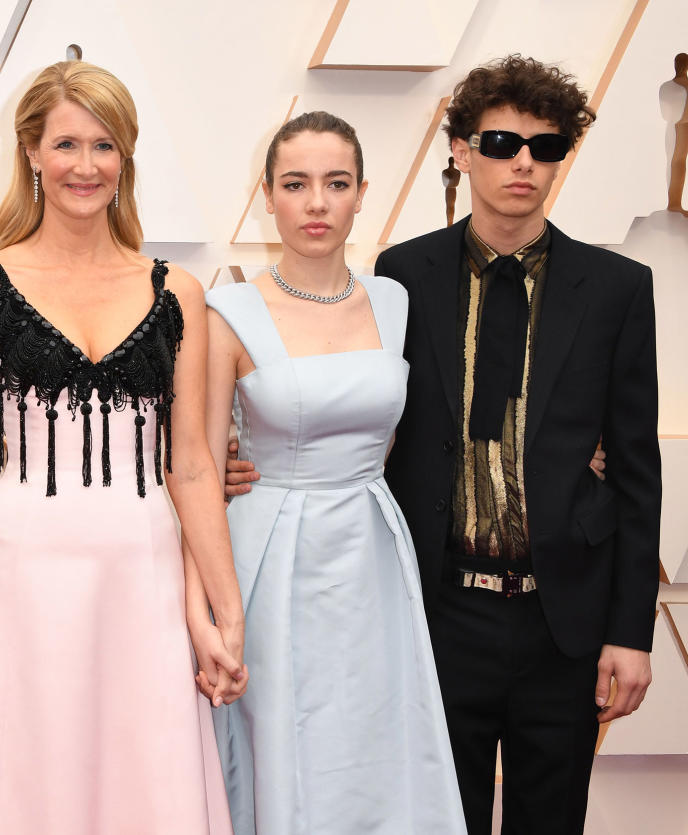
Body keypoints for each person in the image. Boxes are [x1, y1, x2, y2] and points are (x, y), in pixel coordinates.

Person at [229, 55, 661, 834]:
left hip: (562, 614)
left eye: (546, 146)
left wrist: (630, 631)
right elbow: (354, 409)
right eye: (500, 142)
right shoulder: (402, 279)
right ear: (461, 149)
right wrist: (242, 454)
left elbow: (637, 467)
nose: (523, 162)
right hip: (433, 606)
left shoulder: (618, 289)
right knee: (429, 816)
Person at [0, 61, 242, 833]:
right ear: (30, 152)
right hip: (18, 567)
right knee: (19, 778)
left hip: (144, 568)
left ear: (125, 157)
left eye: (104, 146)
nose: (85, 167)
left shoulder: (178, 291)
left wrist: (226, 609)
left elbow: (190, 462)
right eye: (66, 144)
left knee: (145, 775)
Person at [199, 111, 465, 834]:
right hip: (268, 554)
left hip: (374, 552)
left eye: (335, 183)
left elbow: (435, 430)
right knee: (285, 741)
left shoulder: (395, 300)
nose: (316, 203)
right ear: (268, 196)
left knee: (377, 737)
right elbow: (189, 464)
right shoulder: (226, 311)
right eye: (296, 184)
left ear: (361, 193)